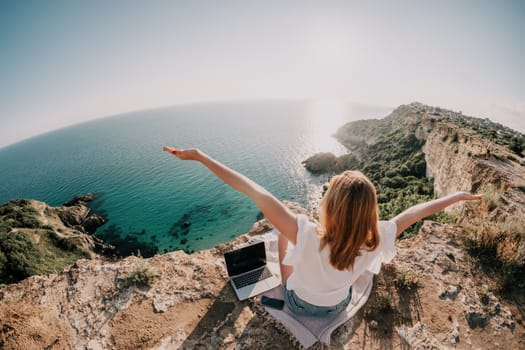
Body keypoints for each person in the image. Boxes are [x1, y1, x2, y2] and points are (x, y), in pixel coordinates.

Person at [163, 146, 482, 317]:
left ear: (330, 205)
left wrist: (201, 157)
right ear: (369, 213)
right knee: (290, 237)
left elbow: (252, 190)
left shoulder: (306, 232)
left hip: (299, 302)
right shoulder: (377, 238)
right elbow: (416, 212)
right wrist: (455, 197)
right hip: (338, 304)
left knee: (279, 236)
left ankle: (280, 293)